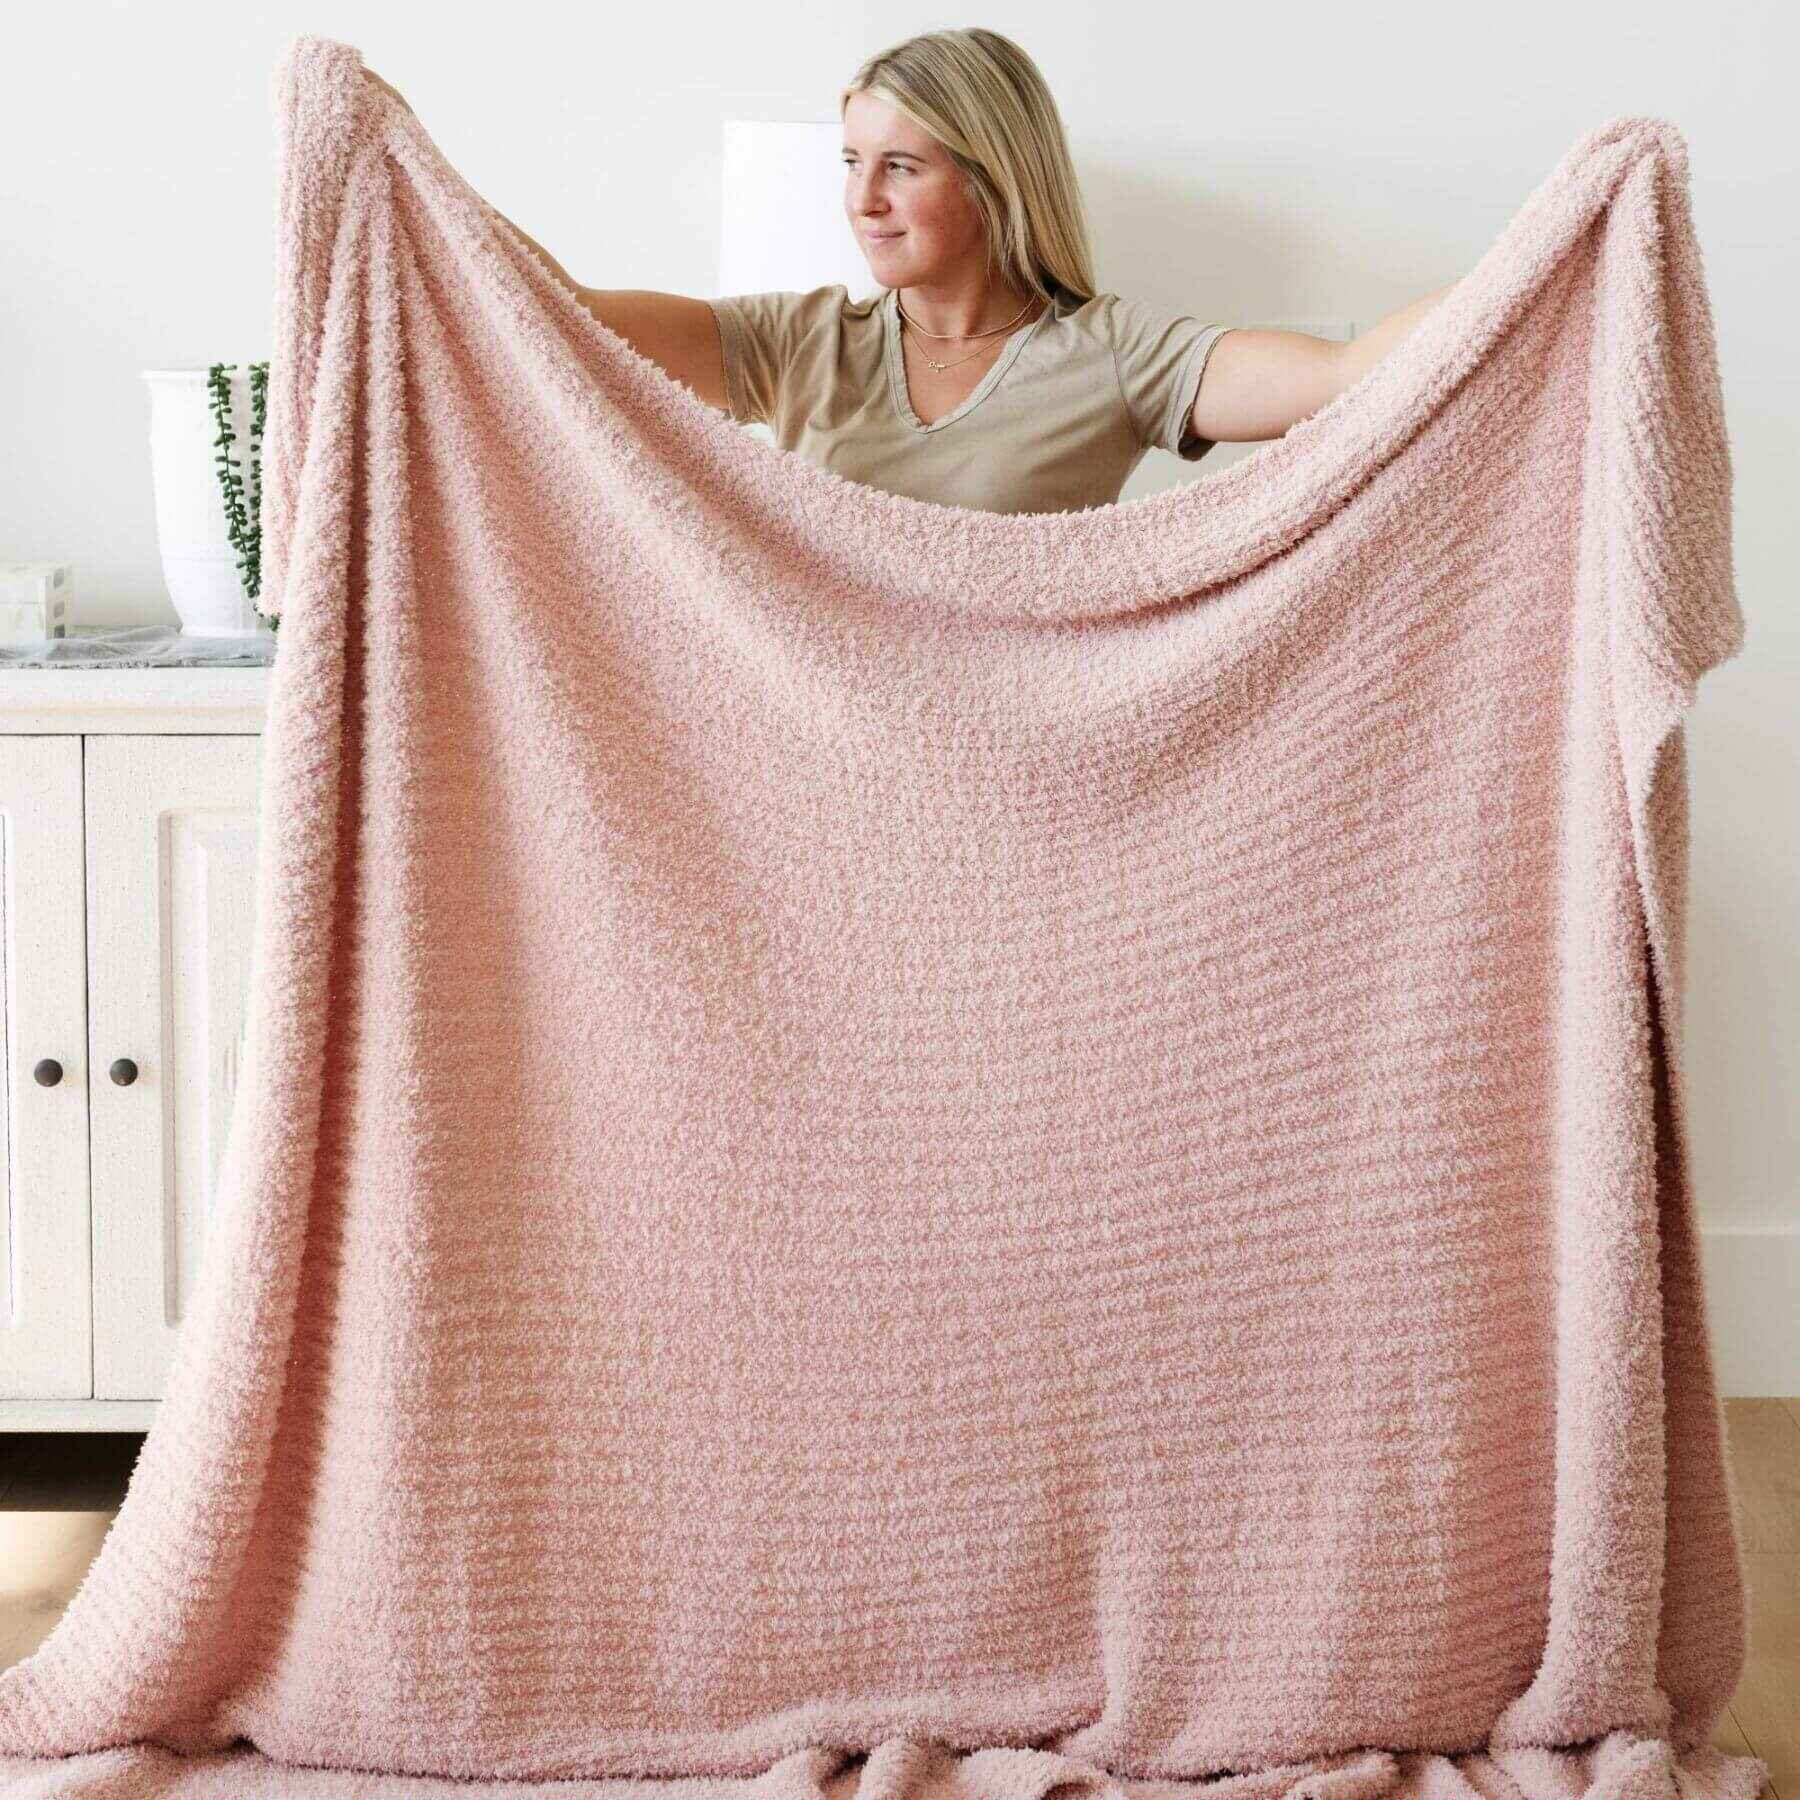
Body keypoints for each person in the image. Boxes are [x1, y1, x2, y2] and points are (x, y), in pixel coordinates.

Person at [364, 31, 1454, 515]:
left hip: (1021, 781)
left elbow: (1346, 376)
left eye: (900, 167)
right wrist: (398, 158)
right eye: (850, 163)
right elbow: (557, 317)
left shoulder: (1115, 353)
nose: (862, 200)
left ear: (991, 180)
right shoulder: (800, 341)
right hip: (817, 776)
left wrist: (1548, 246)